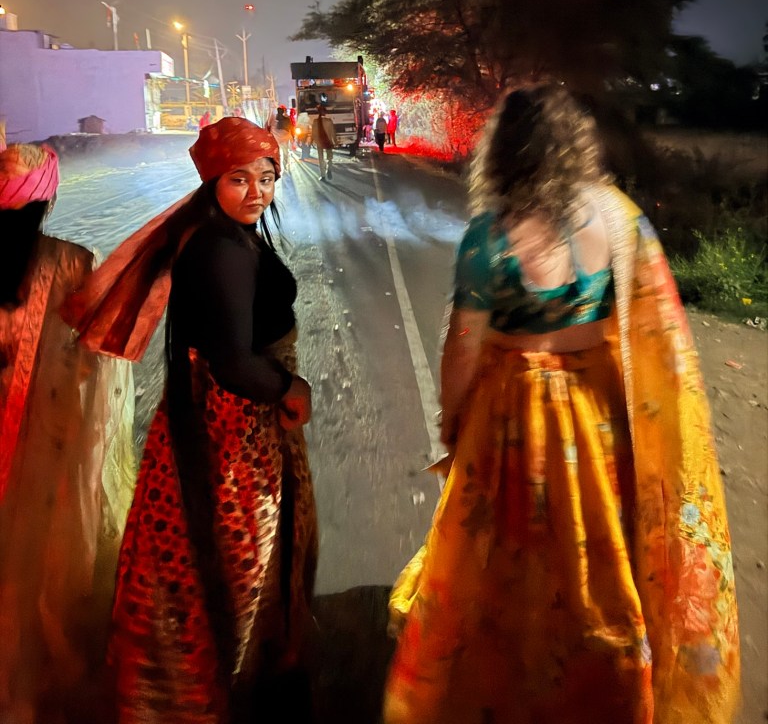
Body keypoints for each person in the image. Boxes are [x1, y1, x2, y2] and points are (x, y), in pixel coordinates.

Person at [383, 83, 739, 724]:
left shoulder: (489, 237)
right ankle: (610, 676)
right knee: (600, 550)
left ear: (503, 153)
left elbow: (464, 345)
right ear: (573, 147)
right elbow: (646, 327)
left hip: (514, 415)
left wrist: (452, 418)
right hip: (600, 412)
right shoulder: (621, 220)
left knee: (512, 549)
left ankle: (511, 677)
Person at [63, 117, 318, 724]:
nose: (257, 192)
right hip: (235, 433)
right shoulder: (223, 249)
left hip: (218, 420)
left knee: (206, 550)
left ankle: (216, 671)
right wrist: (290, 387)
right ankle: (214, 683)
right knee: (238, 553)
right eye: (239, 179)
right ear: (211, 180)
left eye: (267, 177)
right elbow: (233, 361)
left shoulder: (223, 235)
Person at [0, 141, 136, 724]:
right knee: (36, 565)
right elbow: (98, 364)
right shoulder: (73, 264)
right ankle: (33, 688)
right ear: (47, 200)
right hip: (46, 447)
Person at [311, 104, 337, 181]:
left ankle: (323, 175)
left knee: (321, 158)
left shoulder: (315, 122)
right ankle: (329, 169)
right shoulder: (329, 121)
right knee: (329, 158)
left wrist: (313, 141)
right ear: (325, 113)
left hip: (319, 142)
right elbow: (333, 132)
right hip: (328, 142)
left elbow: (313, 133)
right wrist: (335, 141)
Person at [273, 105, 293, 175]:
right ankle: (285, 166)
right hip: (285, 140)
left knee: (278, 155)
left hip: (276, 140)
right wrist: (291, 138)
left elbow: (271, 130)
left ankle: (278, 168)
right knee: (285, 153)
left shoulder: (274, 121)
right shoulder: (287, 119)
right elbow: (290, 128)